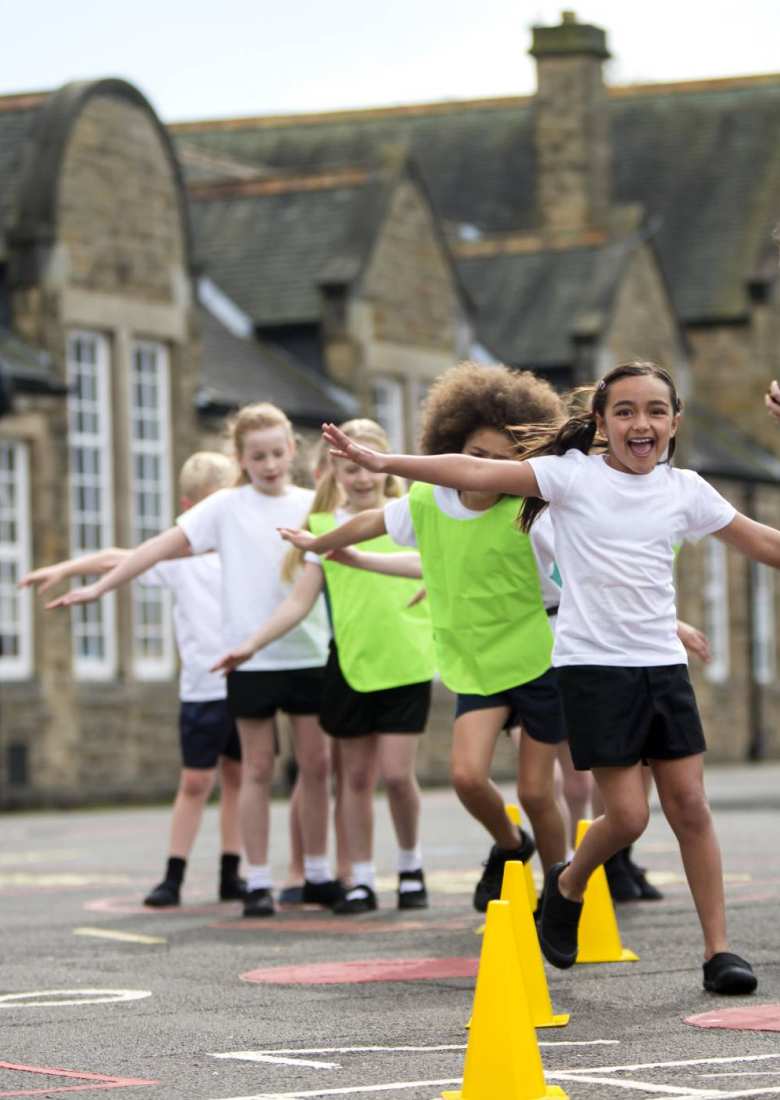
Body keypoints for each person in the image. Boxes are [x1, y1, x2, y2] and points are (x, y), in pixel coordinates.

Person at [318, 360, 769, 995]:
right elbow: (474, 470)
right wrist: (387, 464)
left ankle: (719, 951)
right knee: (630, 818)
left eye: (656, 411)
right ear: (602, 423)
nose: (642, 423)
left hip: (661, 670)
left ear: (674, 421)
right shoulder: (570, 477)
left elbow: (765, 544)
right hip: (593, 668)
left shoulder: (688, 490)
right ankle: (569, 881)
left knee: (690, 805)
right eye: (625, 411)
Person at [281, 364, 573, 912]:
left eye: (500, 463)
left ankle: (560, 896)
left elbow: (580, 581)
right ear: (449, 450)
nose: (482, 471)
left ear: (523, 468)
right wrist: (318, 544)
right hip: (476, 661)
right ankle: (511, 846)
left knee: (537, 792)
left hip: (538, 656)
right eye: (473, 456)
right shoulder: (426, 504)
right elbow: (369, 525)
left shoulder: (535, 517)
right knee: (466, 777)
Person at [47, 403, 340, 919]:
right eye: (257, 456)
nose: (269, 464)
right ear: (240, 458)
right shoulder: (224, 508)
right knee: (255, 769)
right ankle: (256, 881)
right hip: (246, 659)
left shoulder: (312, 504)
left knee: (315, 766)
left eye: (277, 453)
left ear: (292, 451)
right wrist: (99, 587)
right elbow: (157, 547)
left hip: (308, 654)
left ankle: (317, 873)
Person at [214, 419, 435, 915]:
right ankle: (358, 877)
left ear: (383, 466)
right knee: (354, 779)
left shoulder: (411, 517)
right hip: (351, 666)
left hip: (407, 662)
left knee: (398, 775)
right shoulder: (323, 530)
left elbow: (441, 568)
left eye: (365, 466)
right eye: (346, 468)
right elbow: (297, 603)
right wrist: (250, 645)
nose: (359, 478)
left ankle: (410, 865)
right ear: (331, 470)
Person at [21, 452, 247, 907]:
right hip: (202, 691)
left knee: (241, 780)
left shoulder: (245, 552)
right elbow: (117, 559)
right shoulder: (178, 560)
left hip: (247, 685)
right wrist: (67, 568)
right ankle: (173, 875)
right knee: (195, 783)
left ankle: (232, 871)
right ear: (189, 508)